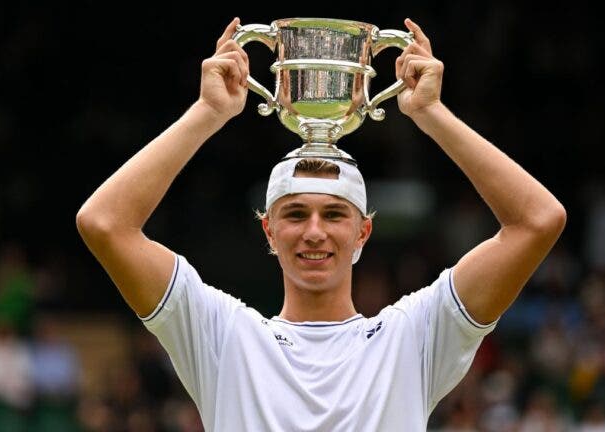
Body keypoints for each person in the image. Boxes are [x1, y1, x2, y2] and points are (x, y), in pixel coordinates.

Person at [76, 17, 567, 431]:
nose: (315, 231)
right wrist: (206, 114)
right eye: (295, 214)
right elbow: (103, 223)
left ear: (362, 233)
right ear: (268, 231)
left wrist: (433, 114)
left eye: (334, 214)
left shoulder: (415, 336)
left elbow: (538, 221)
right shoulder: (221, 335)